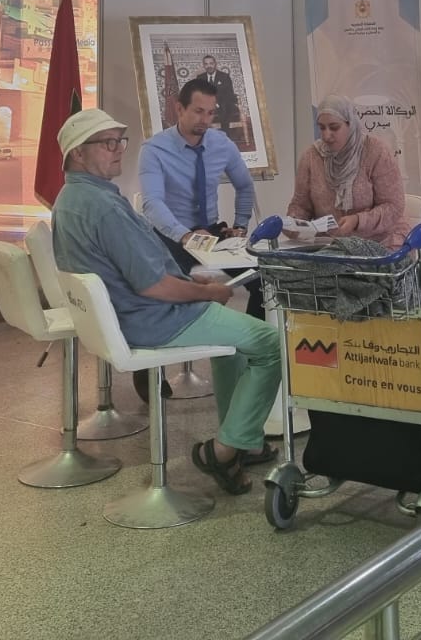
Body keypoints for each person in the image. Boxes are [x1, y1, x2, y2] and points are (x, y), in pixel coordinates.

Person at [51, 107, 280, 496]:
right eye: (108, 143)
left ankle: (245, 440)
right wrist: (207, 292)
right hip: (154, 319)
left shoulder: (69, 200)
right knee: (270, 343)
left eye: (119, 141)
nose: (119, 150)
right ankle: (224, 450)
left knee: (234, 347)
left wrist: (189, 280)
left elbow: (135, 271)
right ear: (77, 153)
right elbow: (153, 287)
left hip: (123, 317)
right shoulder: (103, 207)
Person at [138, 75, 262, 398]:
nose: (204, 120)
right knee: (157, 290)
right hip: (171, 235)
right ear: (179, 109)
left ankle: (252, 357)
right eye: (197, 111)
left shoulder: (221, 144)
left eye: (210, 113)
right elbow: (152, 204)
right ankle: (148, 373)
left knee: (262, 280)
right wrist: (184, 237)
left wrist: (240, 225)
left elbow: (245, 186)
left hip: (211, 232)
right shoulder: (154, 150)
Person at [287, 95, 409, 248]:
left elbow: (393, 207)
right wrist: (292, 223)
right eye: (322, 128)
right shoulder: (311, 157)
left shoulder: (376, 152)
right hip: (332, 245)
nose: (326, 135)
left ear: (350, 124)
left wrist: (358, 220)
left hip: (379, 241)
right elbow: (301, 205)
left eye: (334, 127)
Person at [198, 54, 240, 135]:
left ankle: (225, 135)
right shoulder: (200, 78)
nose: (209, 66)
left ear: (215, 64)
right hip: (207, 105)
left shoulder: (224, 77)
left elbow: (229, 94)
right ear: (203, 66)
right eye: (206, 64)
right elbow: (199, 94)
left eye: (211, 63)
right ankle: (206, 137)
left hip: (223, 104)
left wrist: (217, 103)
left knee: (225, 108)